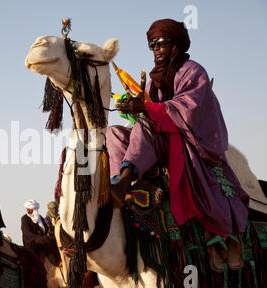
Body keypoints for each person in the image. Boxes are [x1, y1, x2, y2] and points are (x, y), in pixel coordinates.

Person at [106, 19, 248, 273]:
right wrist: (132, 109)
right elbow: (147, 114)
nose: (156, 49)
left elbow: (187, 112)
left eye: (161, 43)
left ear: (176, 45)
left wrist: (146, 109)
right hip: (158, 139)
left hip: (188, 141)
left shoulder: (193, 72)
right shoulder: (153, 81)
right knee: (114, 133)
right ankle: (119, 183)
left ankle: (126, 179)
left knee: (144, 128)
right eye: (152, 45)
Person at [21, 199, 60, 266]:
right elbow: (28, 234)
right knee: (47, 242)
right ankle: (56, 263)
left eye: (29, 209)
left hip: (42, 240)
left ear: (34, 209)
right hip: (32, 242)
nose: (27, 210)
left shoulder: (40, 218)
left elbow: (46, 229)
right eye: (27, 208)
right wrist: (43, 238)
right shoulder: (25, 218)